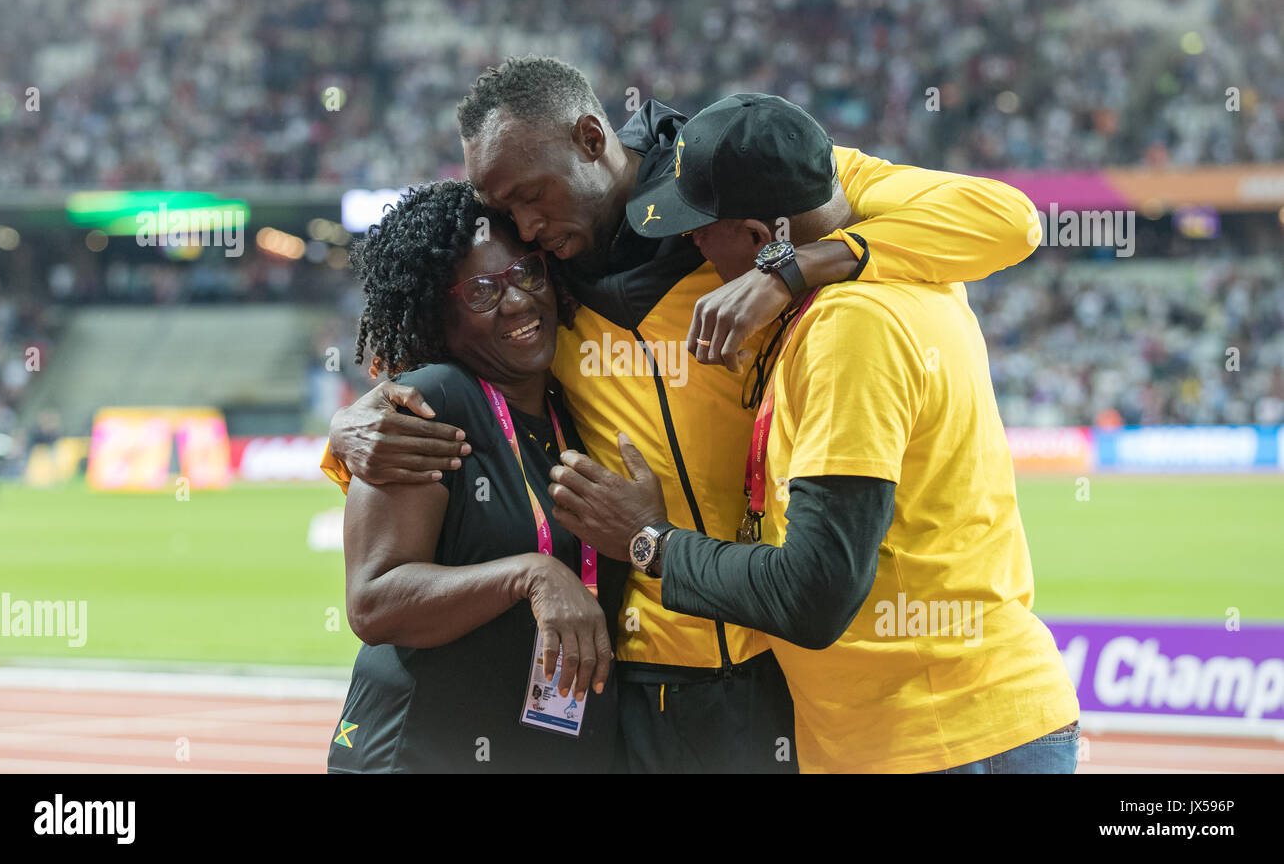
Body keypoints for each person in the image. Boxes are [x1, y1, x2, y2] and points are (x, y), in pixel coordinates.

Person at [324, 56, 1042, 773]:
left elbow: (1008, 220)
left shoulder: (734, 177)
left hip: (777, 663)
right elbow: (438, 349)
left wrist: (797, 266)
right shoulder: (542, 278)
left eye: (532, 197)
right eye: (506, 210)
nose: (525, 228)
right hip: (640, 676)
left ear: (590, 139)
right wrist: (353, 423)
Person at [546, 94, 1080, 773]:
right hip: (933, 733)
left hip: (938, 738)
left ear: (764, 233)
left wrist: (649, 543)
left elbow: (813, 593)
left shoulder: (851, 326)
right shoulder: (896, 265)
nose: (688, 244)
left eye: (702, 228)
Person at [327, 180, 626, 773]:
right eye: (482, 291)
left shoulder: (574, 408)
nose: (516, 302)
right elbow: (373, 603)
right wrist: (530, 575)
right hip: (417, 749)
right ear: (441, 312)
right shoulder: (430, 403)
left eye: (527, 275)